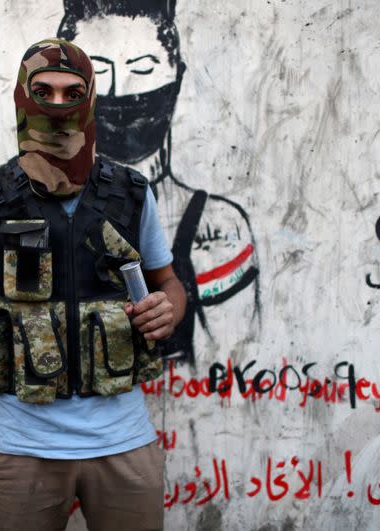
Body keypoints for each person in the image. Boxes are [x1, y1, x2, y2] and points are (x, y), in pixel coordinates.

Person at [0, 38, 186, 530]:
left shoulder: (131, 194)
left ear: (90, 101)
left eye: (73, 93)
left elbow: (170, 283)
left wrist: (168, 308)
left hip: (124, 445)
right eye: (43, 91)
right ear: (22, 97)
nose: (58, 107)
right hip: (24, 453)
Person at [58, 0, 261, 364]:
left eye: (144, 68)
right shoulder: (21, 213)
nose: (120, 92)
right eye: (100, 73)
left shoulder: (215, 226)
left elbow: (231, 377)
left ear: (176, 75)